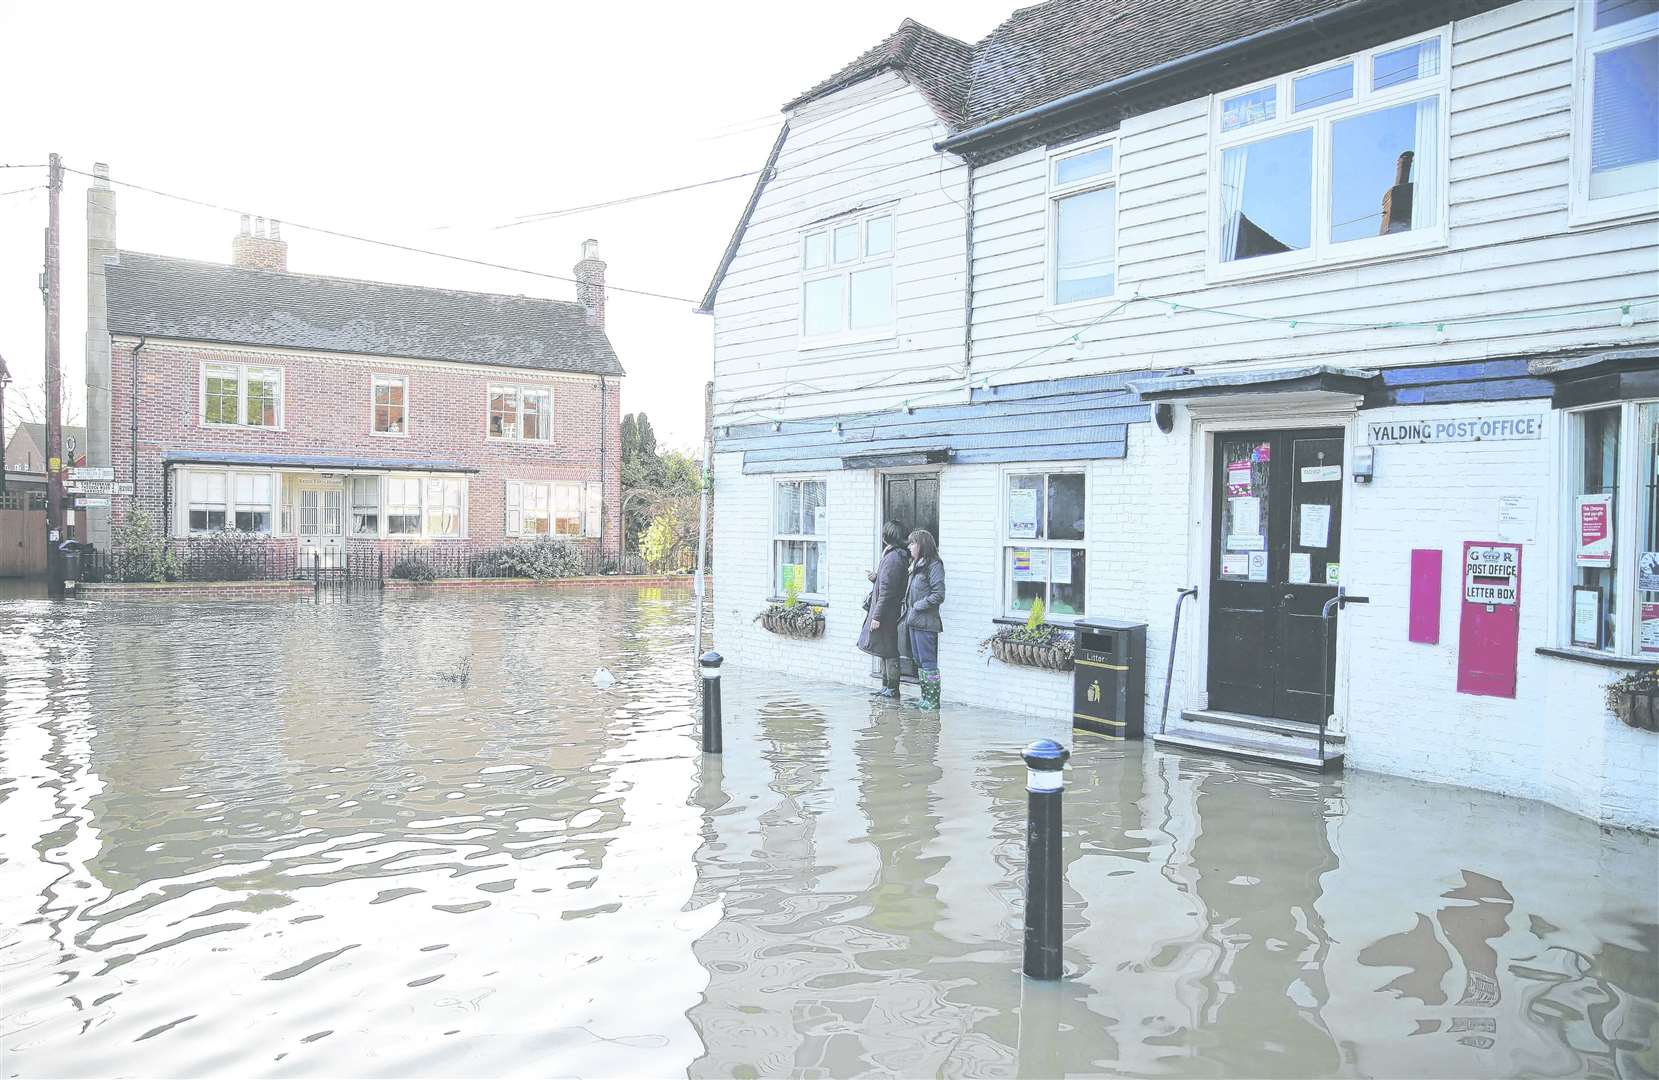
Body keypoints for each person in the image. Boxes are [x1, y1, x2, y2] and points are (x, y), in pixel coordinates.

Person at [857, 521, 910, 698]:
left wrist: (877, 616)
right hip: (887, 608)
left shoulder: (894, 558)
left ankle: (892, 688)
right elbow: (887, 583)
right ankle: (886, 686)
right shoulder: (894, 555)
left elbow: (887, 591)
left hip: (886, 611)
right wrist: (876, 578)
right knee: (883, 648)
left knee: (888, 649)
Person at [901, 528, 945, 710]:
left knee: (928, 662)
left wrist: (919, 605)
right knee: (919, 660)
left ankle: (932, 702)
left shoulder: (934, 565)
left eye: (913, 543)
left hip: (926, 622)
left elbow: (939, 594)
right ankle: (924, 698)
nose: (909, 546)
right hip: (914, 621)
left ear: (922, 545)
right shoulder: (917, 565)